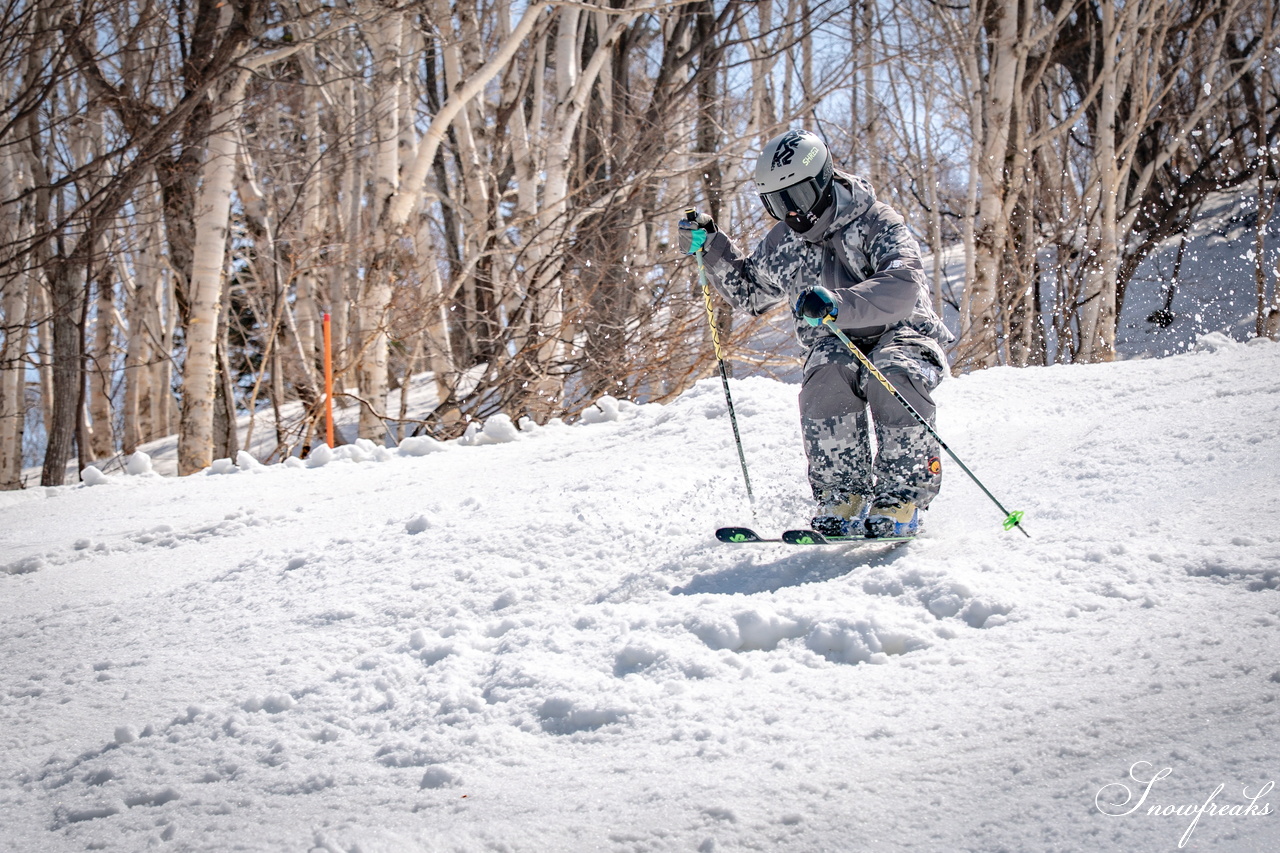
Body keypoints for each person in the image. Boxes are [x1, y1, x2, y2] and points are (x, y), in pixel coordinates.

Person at [678, 129, 953, 538]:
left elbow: (902, 286)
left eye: (799, 197)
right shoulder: (785, 242)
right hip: (835, 341)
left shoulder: (877, 222)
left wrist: (839, 303)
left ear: (823, 180)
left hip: (902, 332)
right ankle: (843, 496)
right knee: (826, 375)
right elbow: (751, 291)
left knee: (891, 371)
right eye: (778, 203)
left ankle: (901, 499)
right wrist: (711, 247)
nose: (793, 213)